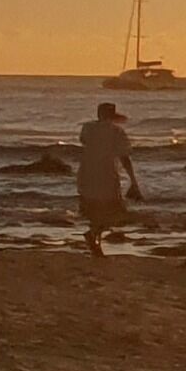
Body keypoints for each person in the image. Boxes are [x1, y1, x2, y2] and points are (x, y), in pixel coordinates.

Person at [77, 99, 142, 256]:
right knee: (112, 209)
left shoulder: (87, 128)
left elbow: (84, 141)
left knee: (94, 208)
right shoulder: (116, 132)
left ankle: (95, 239)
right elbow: (124, 157)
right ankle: (94, 235)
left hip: (86, 172)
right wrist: (133, 180)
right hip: (106, 173)